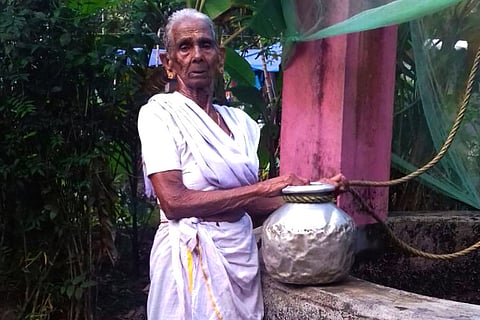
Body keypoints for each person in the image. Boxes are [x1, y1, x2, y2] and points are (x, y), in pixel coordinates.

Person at [137, 8, 348, 320]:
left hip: (239, 255)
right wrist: (261, 187)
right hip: (190, 256)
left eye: (205, 45)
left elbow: (252, 205)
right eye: (184, 46)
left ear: (220, 57)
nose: (197, 55)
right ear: (168, 63)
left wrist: (317, 193)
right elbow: (175, 202)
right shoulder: (160, 115)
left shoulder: (241, 124)